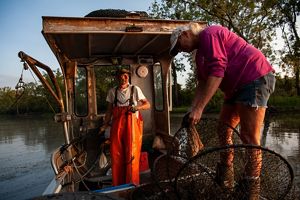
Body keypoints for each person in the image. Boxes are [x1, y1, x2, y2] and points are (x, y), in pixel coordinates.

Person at [170, 23, 276, 199]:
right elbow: (202, 83)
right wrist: (192, 110)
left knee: (249, 138)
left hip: (254, 78)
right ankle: (226, 177)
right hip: (234, 89)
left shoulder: (210, 34)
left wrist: (201, 108)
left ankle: (251, 188)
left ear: (186, 34)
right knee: (223, 129)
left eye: (179, 45)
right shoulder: (200, 55)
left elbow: (218, 72)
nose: (180, 50)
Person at [100, 68, 150, 186]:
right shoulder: (112, 91)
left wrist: (137, 108)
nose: (123, 78)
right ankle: (118, 184)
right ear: (117, 78)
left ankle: (132, 183)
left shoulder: (135, 89)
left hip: (132, 126)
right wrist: (105, 125)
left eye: (125, 76)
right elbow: (109, 111)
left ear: (128, 77)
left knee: (131, 154)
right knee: (116, 154)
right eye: (121, 76)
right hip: (117, 126)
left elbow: (147, 104)